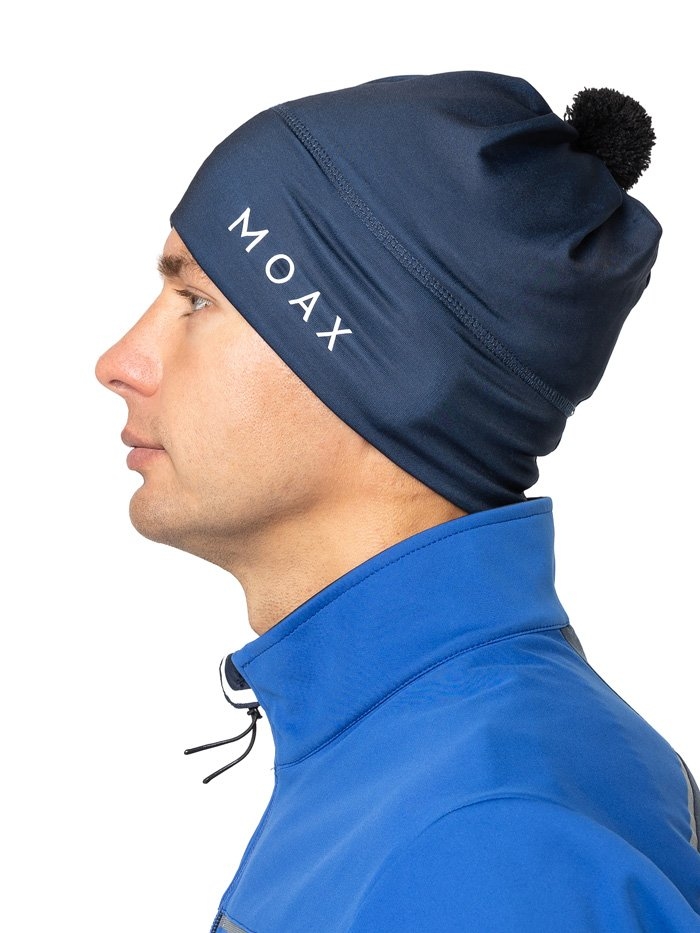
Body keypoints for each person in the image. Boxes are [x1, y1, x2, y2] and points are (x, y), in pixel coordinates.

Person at [96, 71, 700, 931]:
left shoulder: (488, 846)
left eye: (197, 299)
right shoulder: (417, 764)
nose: (119, 362)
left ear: (398, 376)